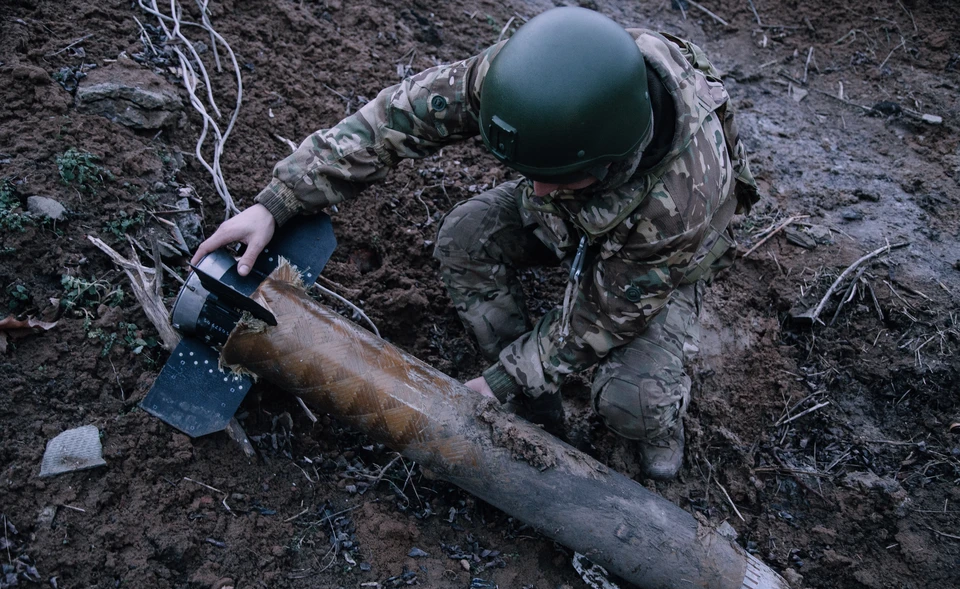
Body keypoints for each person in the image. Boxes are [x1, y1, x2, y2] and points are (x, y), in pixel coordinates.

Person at [192, 7, 758, 480]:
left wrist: (504, 380)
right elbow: (401, 114)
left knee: (631, 404)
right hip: (586, 220)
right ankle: (529, 398)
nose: (534, 189)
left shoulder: (684, 198)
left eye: (555, 175)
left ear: (616, 158)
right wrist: (279, 200)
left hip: (654, 269)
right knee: (465, 236)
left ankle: (656, 418)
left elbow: (604, 317)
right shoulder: (530, 81)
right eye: (529, 171)